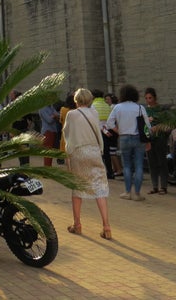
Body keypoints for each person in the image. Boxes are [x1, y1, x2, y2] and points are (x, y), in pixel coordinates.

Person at [63, 88, 112, 239]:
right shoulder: (94, 112)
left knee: (77, 187)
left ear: (76, 100)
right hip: (94, 151)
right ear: (90, 100)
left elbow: (67, 135)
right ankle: (106, 226)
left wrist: (67, 156)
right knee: (100, 187)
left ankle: (77, 224)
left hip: (78, 152)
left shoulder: (71, 114)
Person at [105, 84, 151, 201]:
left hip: (124, 138)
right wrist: (148, 140)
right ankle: (137, 193)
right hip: (138, 139)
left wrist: (118, 131)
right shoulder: (140, 108)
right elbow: (147, 126)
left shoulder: (118, 107)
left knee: (127, 165)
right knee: (139, 165)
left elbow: (109, 123)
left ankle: (127, 192)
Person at [144, 87, 170, 194]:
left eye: (150, 98)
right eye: (146, 98)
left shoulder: (161, 110)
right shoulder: (144, 110)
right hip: (149, 139)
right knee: (152, 162)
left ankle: (163, 186)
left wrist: (158, 127)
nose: (148, 100)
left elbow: (168, 124)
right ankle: (155, 186)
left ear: (155, 98)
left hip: (160, 138)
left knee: (162, 162)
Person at [91, 89, 115, 179]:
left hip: (98, 132)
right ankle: (110, 172)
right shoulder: (107, 106)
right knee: (107, 153)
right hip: (107, 131)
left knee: (97, 153)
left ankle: (100, 172)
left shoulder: (93, 106)